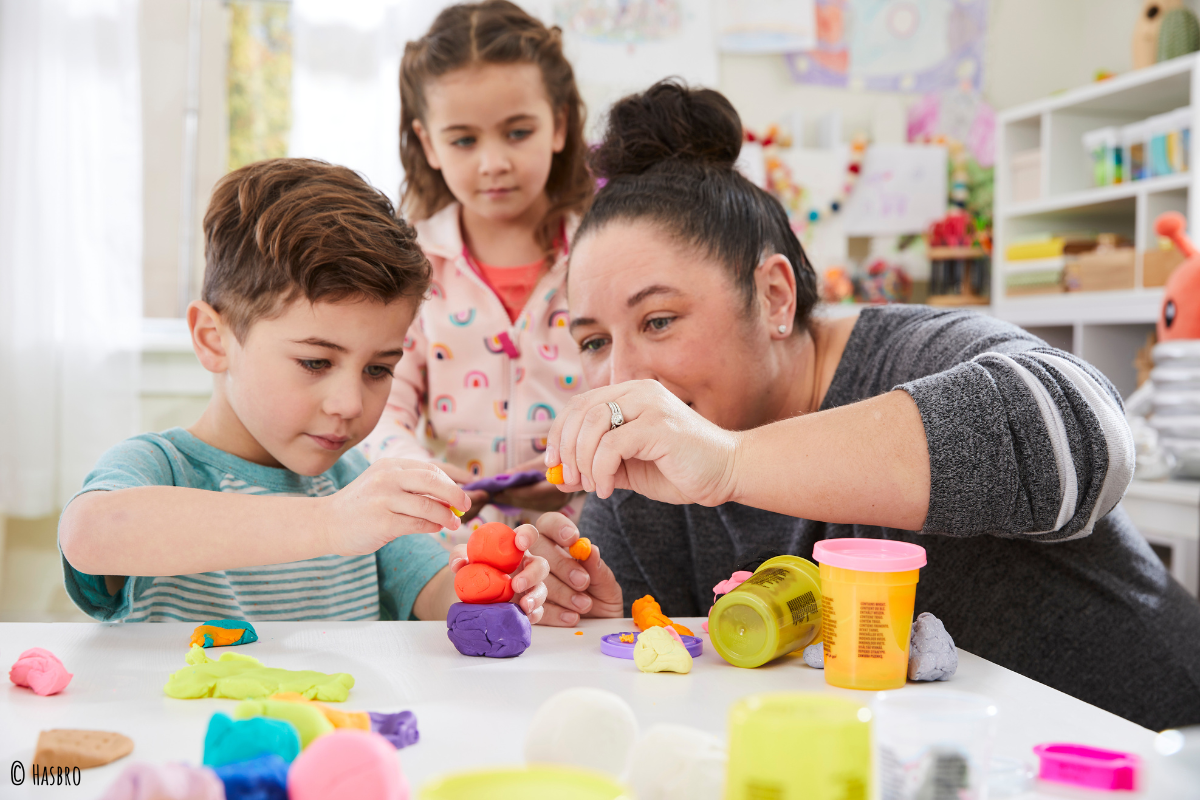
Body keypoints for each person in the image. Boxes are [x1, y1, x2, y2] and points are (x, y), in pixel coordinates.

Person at [544, 80, 1200, 731]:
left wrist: (731, 463)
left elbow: (1090, 441)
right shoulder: (641, 475)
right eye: (594, 341)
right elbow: (662, 689)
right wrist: (585, 607)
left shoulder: (915, 353)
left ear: (774, 297)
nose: (620, 375)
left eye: (658, 321)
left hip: (1159, 746)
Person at [57, 158, 551, 624]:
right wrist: (329, 524)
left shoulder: (355, 483)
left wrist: (504, 582)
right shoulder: (161, 468)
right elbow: (88, 534)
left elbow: (442, 595)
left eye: (378, 369)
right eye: (315, 362)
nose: (350, 404)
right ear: (214, 340)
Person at [361, 0, 593, 548]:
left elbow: (636, 394)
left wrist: (582, 471)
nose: (493, 163)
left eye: (517, 132)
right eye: (464, 140)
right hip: (450, 551)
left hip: (586, 539)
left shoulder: (599, 256)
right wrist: (426, 480)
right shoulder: (410, 265)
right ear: (428, 143)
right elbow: (382, 408)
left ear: (558, 125)